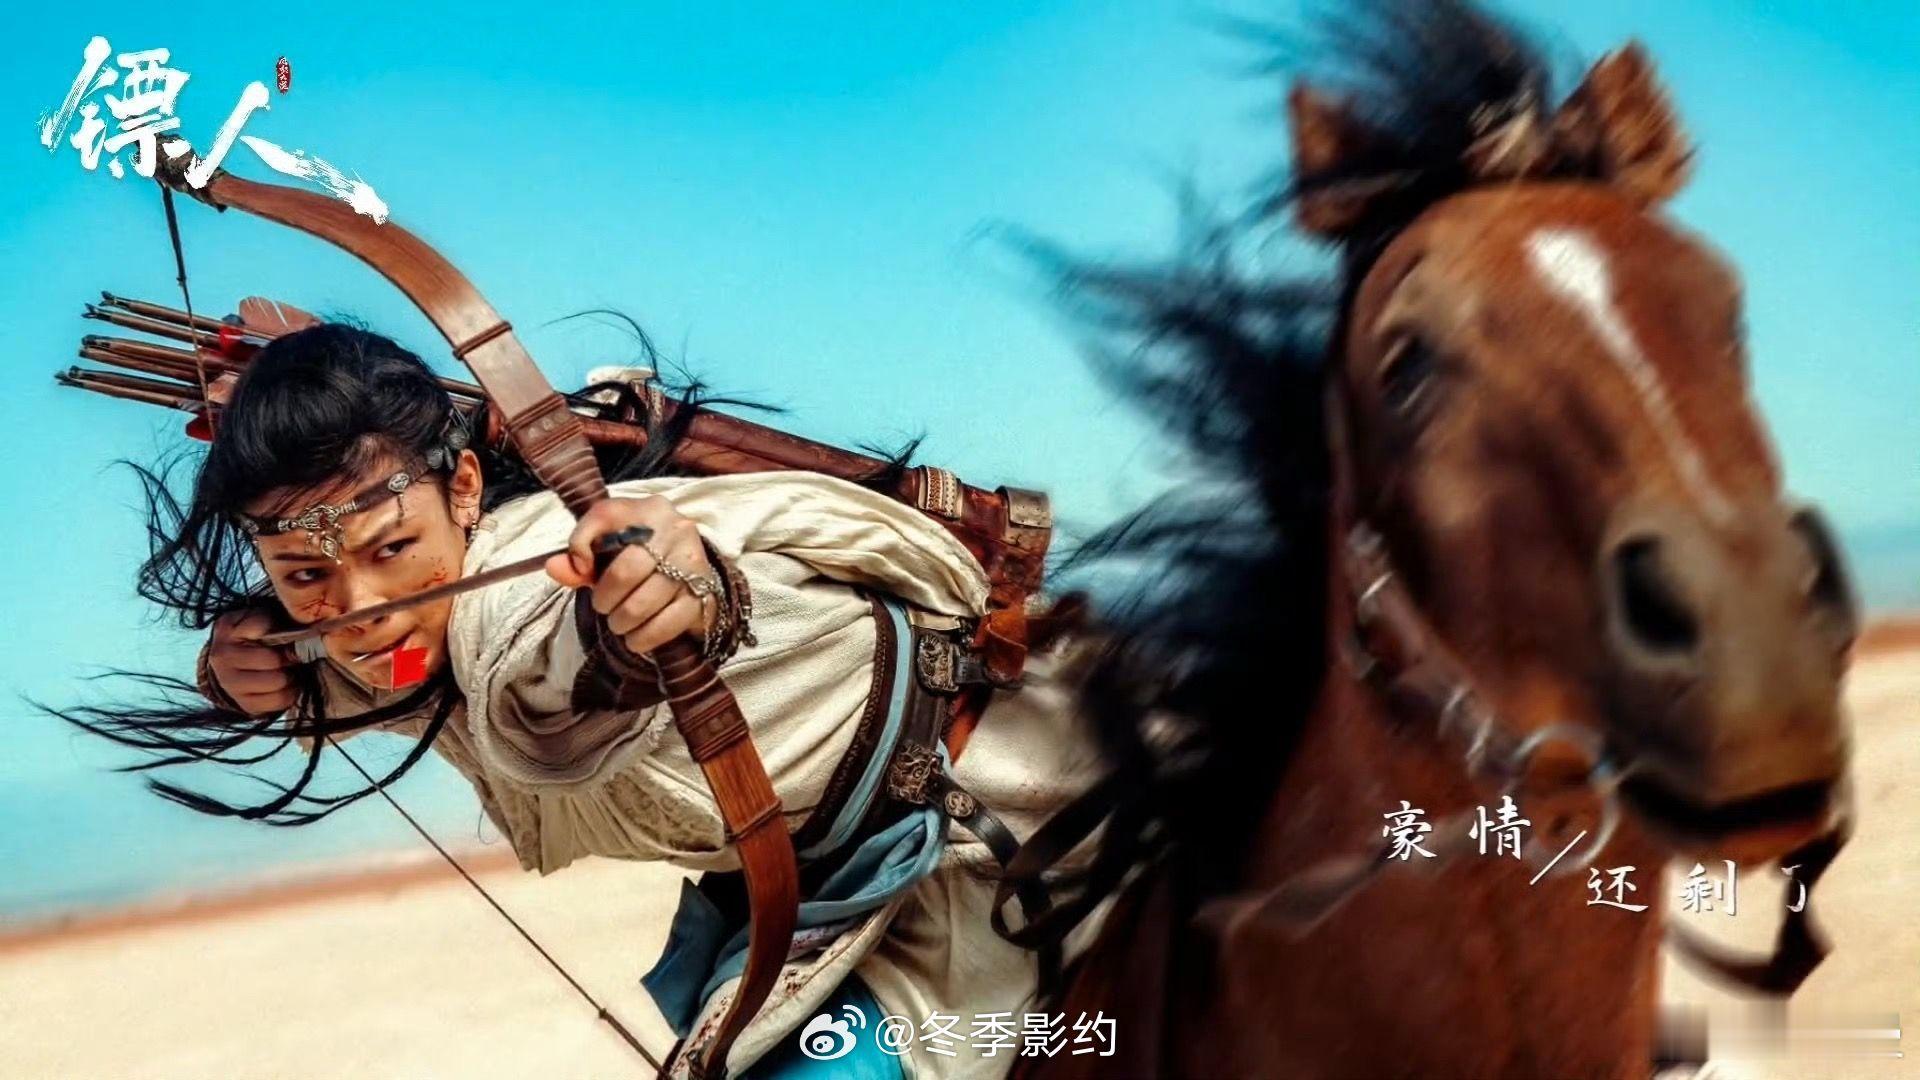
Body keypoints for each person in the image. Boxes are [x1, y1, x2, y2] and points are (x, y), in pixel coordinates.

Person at [63, 322, 1103, 1078]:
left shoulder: (520, 607)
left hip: (1021, 808)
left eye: (392, 549)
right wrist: (247, 670)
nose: (362, 611)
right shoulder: (389, 635)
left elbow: (578, 659)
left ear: (465, 490)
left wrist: (661, 593)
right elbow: (379, 673)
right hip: (847, 888)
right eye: (304, 575)